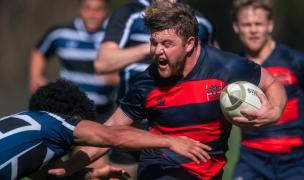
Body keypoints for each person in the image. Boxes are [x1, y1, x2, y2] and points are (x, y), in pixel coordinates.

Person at [49, 2, 287, 180]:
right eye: (154, 43)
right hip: (161, 166)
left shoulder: (224, 66)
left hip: (211, 169)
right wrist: (70, 166)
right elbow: (108, 132)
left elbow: (272, 84)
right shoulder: (146, 84)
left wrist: (274, 112)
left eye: (167, 44)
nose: (157, 52)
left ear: (190, 43)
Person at [93, 0, 218, 177]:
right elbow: (102, 62)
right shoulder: (130, 14)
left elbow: (215, 69)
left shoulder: (200, 21)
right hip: (131, 122)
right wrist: (159, 45)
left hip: (178, 128)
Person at [0, 79, 212, 180]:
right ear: (74, 118)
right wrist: (170, 141)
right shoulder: (53, 124)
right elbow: (114, 135)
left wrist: (92, 174)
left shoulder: (24, 124)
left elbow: (48, 177)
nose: (71, 147)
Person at [29, 0, 119, 167]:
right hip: (68, 111)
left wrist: (117, 78)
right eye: (88, 9)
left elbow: (132, 66)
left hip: (101, 112)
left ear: (106, 11)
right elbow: (40, 51)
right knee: (53, 162)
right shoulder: (61, 33)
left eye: (98, 10)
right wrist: (36, 75)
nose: (92, 14)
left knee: (91, 160)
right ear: (80, 10)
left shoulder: (115, 35)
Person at [231, 0, 304, 179]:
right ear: (236, 27)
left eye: (259, 24)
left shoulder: (295, 60)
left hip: (296, 160)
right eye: (247, 25)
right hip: (251, 160)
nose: (253, 30)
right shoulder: (233, 68)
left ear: (270, 25)